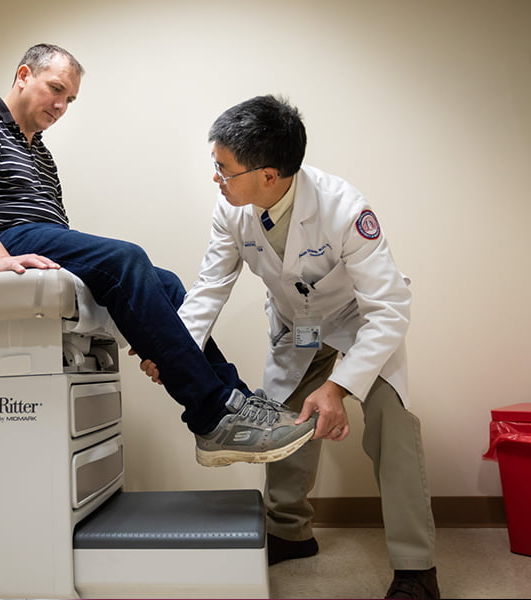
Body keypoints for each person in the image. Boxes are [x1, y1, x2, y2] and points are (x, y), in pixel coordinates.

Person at [0, 44, 316, 466]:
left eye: (70, 100)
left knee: (163, 283)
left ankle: (236, 401)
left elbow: (59, 235)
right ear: (23, 75)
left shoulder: (39, 152)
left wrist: (157, 334)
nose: (61, 106)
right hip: (3, 242)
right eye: (55, 90)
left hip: (38, 244)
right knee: (125, 258)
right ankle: (212, 417)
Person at [147, 95, 438, 599]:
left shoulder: (345, 209)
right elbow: (210, 286)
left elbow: (390, 308)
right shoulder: (232, 210)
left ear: (269, 174)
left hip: (359, 323)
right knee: (281, 423)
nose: (216, 178)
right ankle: (289, 533)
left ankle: (417, 569)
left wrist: (340, 388)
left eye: (224, 169)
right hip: (295, 327)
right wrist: (174, 350)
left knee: (392, 423)